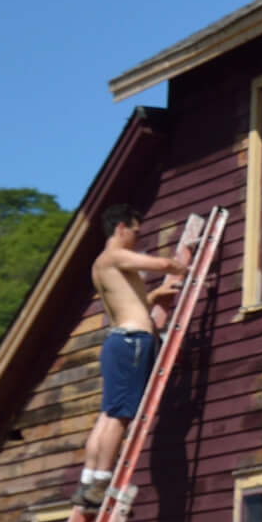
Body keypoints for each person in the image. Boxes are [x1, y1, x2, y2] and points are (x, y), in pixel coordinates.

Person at [76, 205, 187, 506]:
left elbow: (127, 300)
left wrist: (152, 297)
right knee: (121, 416)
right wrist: (182, 269)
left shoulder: (100, 265)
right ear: (121, 228)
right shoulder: (114, 255)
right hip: (132, 342)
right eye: (135, 231)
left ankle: (88, 480)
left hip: (117, 341)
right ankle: (100, 482)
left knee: (107, 415)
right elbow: (162, 264)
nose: (137, 238)